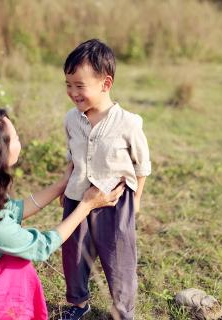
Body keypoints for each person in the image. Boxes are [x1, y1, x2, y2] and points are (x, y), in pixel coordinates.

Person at [0, 107, 125, 320]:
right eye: (15, 138)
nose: (20, 142)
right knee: (19, 266)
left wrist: (61, 185)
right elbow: (41, 246)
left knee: (11, 262)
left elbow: (13, 210)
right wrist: (87, 205)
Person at [60, 39, 151, 320]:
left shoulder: (128, 122)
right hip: (77, 198)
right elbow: (72, 157)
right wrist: (65, 188)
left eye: (79, 85)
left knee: (119, 261)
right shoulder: (71, 120)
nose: (73, 92)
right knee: (73, 256)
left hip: (115, 203)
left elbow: (142, 165)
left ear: (105, 83)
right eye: (68, 84)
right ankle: (78, 304)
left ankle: (123, 312)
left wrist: (134, 202)